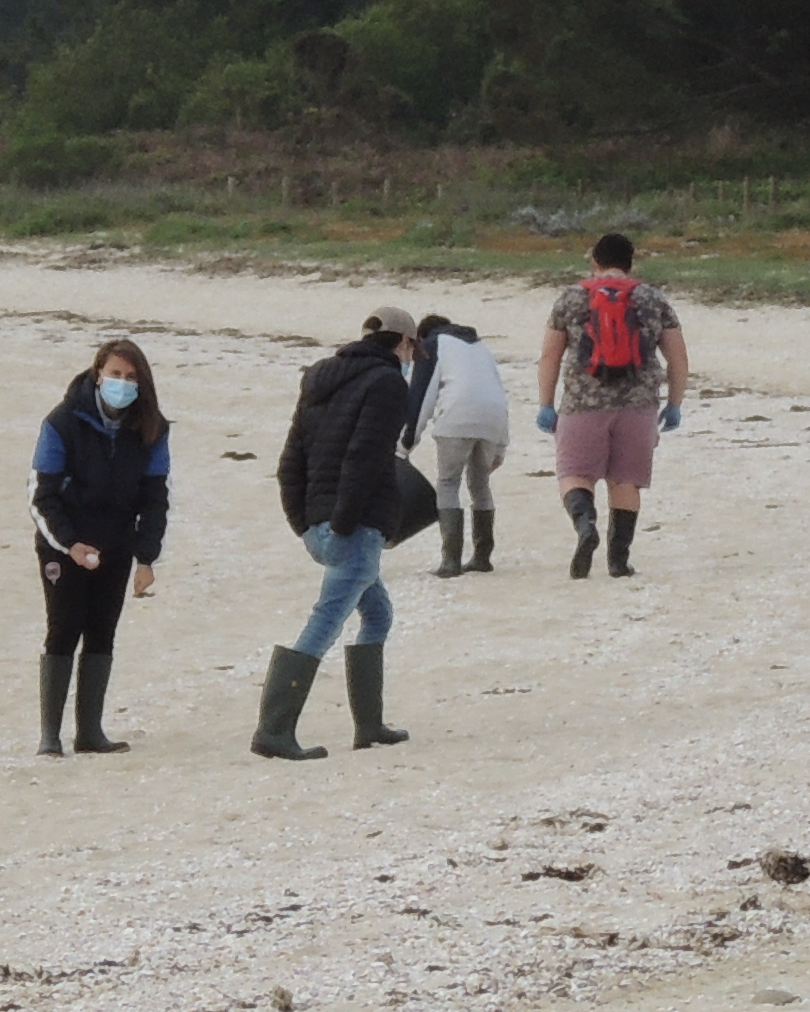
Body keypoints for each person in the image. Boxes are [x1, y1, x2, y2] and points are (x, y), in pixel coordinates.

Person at [260, 302, 420, 760]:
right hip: (355, 526)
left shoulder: (319, 378)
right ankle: (273, 729)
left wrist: (303, 523)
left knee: (378, 614)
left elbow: (291, 458)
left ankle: (369, 725)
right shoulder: (388, 382)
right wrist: (347, 523)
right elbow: (365, 457)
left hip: (318, 523)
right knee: (326, 621)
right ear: (403, 342)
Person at [29, 337, 171, 756]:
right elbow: (41, 495)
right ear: (98, 375)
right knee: (63, 628)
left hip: (116, 544)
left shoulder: (152, 428)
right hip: (63, 544)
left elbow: (155, 497)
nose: (122, 383)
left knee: (102, 632)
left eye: (130, 377)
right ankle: (50, 736)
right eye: (115, 374)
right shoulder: (61, 422)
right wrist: (70, 544)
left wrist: (146, 557)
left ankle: (90, 733)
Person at [533, 233, 690, 578]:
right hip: (639, 405)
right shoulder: (652, 298)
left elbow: (549, 356)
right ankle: (618, 560)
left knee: (574, 473)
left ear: (594, 261)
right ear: (631, 263)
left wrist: (546, 403)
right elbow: (678, 358)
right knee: (626, 480)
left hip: (582, 402)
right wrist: (674, 403)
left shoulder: (572, 297)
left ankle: (585, 523)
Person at [406, 311, 511, 574]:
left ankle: (451, 560)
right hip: (493, 419)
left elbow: (422, 395)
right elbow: (498, 392)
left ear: (422, 336)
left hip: (457, 416)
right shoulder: (481, 348)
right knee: (480, 483)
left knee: (448, 483)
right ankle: (483, 556)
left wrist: (407, 442)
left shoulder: (433, 344)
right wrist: (501, 445)